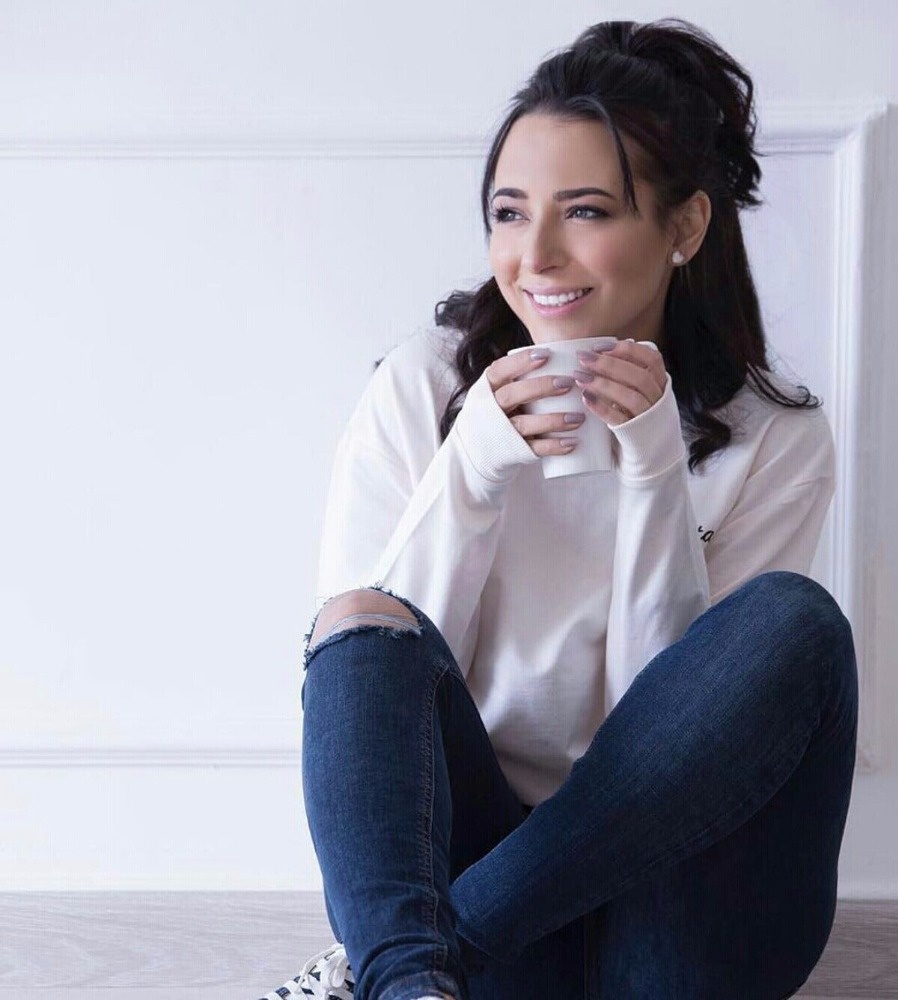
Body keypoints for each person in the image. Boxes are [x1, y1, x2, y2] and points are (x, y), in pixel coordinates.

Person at [256, 17, 858, 1000]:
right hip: (488, 877)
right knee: (357, 620)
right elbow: (385, 695)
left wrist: (654, 472)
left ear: (685, 228)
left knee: (794, 623)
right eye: (508, 212)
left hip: (680, 918)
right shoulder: (421, 388)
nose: (533, 254)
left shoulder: (773, 436)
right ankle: (413, 980)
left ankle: (409, 963)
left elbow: (684, 750)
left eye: (584, 211)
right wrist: (473, 469)